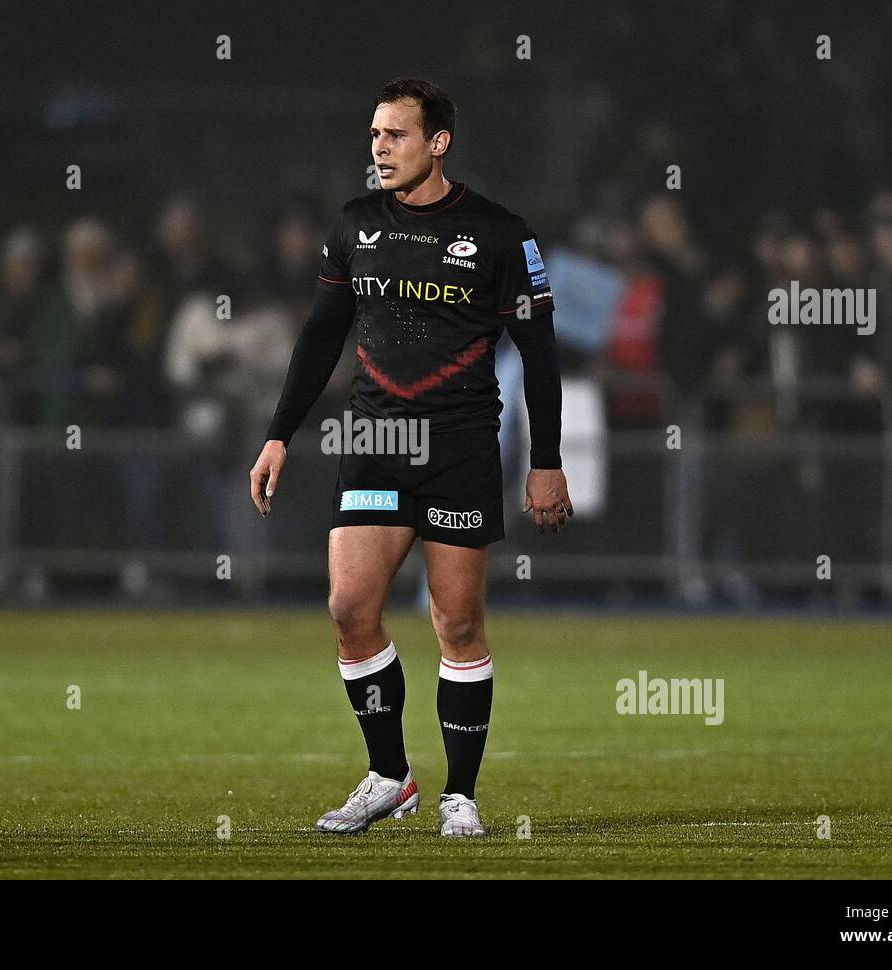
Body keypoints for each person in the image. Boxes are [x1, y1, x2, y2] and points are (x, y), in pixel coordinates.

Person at [248, 78, 571, 838]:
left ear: (439, 143)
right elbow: (322, 335)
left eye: (395, 135)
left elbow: (541, 351)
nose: (381, 149)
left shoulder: (500, 232)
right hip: (374, 441)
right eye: (374, 136)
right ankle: (390, 776)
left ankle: (461, 795)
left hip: (458, 445)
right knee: (348, 609)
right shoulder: (356, 226)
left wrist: (546, 461)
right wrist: (278, 434)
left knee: (456, 624)